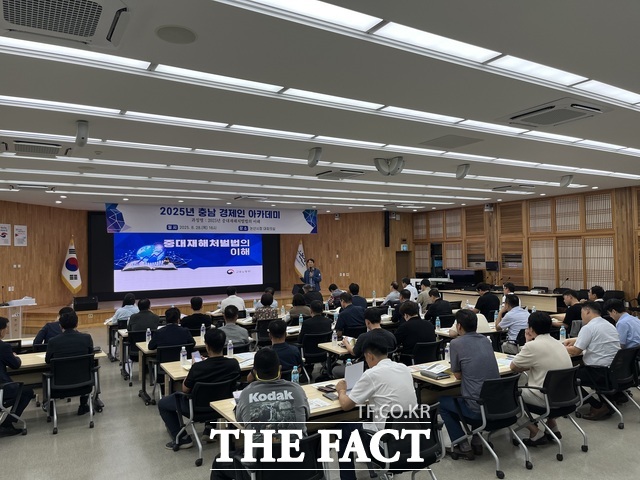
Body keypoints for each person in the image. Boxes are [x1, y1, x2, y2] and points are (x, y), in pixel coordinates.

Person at [211, 347, 310, 480]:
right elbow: (306, 415)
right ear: (280, 369)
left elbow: (240, 421)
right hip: (299, 465)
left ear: (254, 372)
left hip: (260, 471)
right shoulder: (297, 390)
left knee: (219, 461)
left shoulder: (246, 393)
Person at [335, 338, 417, 480]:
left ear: (369, 356)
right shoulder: (403, 368)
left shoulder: (371, 374)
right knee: (367, 421)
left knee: (343, 428)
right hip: (415, 441)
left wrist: (341, 391)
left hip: (388, 447)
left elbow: (346, 405)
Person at [159, 328, 241, 450]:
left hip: (197, 409)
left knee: (162, 403)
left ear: (206, 346)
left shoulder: (198, 367)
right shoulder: (233, 364)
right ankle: (209, 428)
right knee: (216, 391)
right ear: (224, 344)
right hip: (222, 407)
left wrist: (193, 367)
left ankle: (182, 438)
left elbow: (185, 389)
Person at [439, 310, 500, 459]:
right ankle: (477, 440)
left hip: (477, 409)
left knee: (442, 403)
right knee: (478, 392)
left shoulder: (456, 343)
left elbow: (457, 375)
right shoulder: (485, 340)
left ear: (459, 326)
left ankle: (463, 445)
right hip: (496, 405)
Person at [510, 312, 572, 445]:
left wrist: (527, 341)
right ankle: (552, 427)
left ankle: (535, 432)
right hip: (567, 397)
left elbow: (513, 366)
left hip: (546, 399)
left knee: (509, 396)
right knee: (549, 384)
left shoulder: (532, 346)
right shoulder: (558, 343)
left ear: (531, 329)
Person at [563, 301, 620, 420]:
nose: (581, 316)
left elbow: (576, 351)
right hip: (613, 370)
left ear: (587, 311)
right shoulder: (609, 324)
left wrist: (561, 347)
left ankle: (597, 406)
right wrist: (575, 340)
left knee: (566, 377)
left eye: (581, 313)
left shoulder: (588, 327)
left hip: (597, 372)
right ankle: (608, 403)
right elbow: (595, 338)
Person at [45, 311, 94, 415]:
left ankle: (51, 408)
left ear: (60, 325)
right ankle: (83, 405)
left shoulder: (53, 341)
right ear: (77, 324)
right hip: (84, 384)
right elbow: (91, 356)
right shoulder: (86, 338)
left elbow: (47, 360)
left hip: (58, 386)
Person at [333, 307, 396, 377]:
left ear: (367, 322)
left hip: (365, 369)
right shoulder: (391, 336)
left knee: (335, 370)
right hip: (388, 369)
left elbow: (353, 352)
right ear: (380, 320)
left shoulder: (364, 337)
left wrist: (346, 343)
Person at [0, 316, 35, 435]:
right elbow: (15, 365)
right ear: (1, 330)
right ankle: (7, 424)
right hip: (2, 390)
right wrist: (15, 356)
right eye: (6, 328)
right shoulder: (4, 347)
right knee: (27, 392)